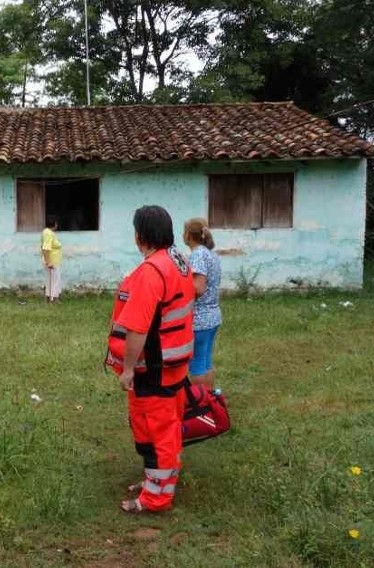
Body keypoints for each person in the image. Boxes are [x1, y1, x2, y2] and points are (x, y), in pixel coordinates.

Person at [105, 206, 195, 514]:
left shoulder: (150, 273)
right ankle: (154, 482)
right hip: (173, 367)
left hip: (153, 371)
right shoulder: (178, 261)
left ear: (139, 235)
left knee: (157, 433)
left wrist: (128, 369)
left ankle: (156, 498)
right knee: (161, 429)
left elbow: (138, 329)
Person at [183, 218, 222, 388]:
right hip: (213, 316)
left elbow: (198, 288)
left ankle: (201, 405)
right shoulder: (210, 254)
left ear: (189, 235)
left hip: (200, 318)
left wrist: (179, 292)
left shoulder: (197, 254)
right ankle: (210, 401)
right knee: (206, 361)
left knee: (197, 364)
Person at [41, 216, 63, 302]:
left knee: (53, 280)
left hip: (54, 261)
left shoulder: (49, 233)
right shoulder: (48, 233)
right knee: (54, 281)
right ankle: (53, 300)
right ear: (54, 224)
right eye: (56, 223)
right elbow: (46, 249)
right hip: (51, 262)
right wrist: (48, 262)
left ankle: (51, 299)